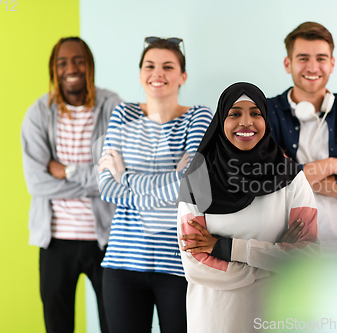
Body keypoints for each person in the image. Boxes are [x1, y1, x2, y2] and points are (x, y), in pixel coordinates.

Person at [177, 82, 319, 333]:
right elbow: (196, 267)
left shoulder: (290, 177)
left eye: (255, 113)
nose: (246, 122)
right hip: (215, 321)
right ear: (221, 120)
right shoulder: (197, 181)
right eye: (234, 114)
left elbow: (308, 257)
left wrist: (227, 248)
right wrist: (274, 263)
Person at [97, 37, 213, 333]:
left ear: (182, 76)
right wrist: (171, 182)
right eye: (149, 65)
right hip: (122, 263)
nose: (157, 73)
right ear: (140, 74)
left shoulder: (199, 117)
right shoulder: (123, 114)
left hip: (178, 265)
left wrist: (126, 177)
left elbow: (191, 188)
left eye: (168, 66)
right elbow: (105, 187)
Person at [21, 37, 122, 333]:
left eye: (78, 60)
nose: (71, 68)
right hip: (55, 240)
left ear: (89, 65)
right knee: (57, 326)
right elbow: (37, 184)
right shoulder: (38, 113)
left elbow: (117, 177)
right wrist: (96, 179)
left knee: (115, 324)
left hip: (106, 239)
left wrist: (66, 170)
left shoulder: (113, 107)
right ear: (54, 69)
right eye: (62, 62)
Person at [267, 22, 337, 256]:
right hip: (289, 251)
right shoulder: (267, 112)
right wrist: (335, 164)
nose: (313, 67)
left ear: (332, 63)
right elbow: (268, 181)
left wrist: (296, 178)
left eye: (321, 58)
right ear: (288, 64)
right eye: (303, 58)